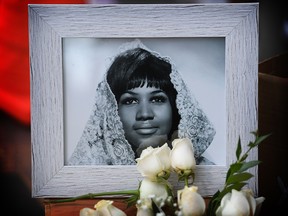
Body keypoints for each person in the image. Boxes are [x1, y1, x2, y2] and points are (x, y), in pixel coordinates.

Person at [68, 40, 216, 166]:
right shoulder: (85, 177)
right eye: (130, 101)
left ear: (174, 106)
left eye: (157, 99)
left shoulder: (203, 176)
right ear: (112, 112)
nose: (145, 113)